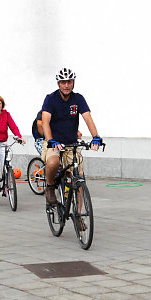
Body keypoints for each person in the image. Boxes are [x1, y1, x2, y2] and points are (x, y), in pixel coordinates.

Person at [41, 67, 102, 204]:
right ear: (58, 84)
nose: (66, 85)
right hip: (54, 142)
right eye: (63, 82)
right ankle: (50, 186)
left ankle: (79, 217)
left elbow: (87, 118)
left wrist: (96, 137)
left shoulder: (78, 98)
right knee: (53, 162)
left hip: (71, 144)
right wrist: (50, 140)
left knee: (78, 177)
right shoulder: (50, 99)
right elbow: (45, 121)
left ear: (73, 82)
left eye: (69, 82)